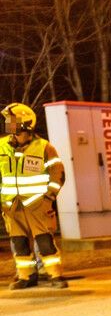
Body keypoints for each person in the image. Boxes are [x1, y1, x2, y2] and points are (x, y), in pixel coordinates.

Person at [0, 102, 67, 289]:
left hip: (38, 205)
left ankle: (55, 275)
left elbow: (58, 174)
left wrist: (49, 198)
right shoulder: (1, 146)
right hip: (12, 207)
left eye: (12, 121)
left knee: (45, 242)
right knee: (19, 244)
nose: (8, 125)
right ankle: (26, 277)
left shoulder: (44, 147)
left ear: (25, 123)